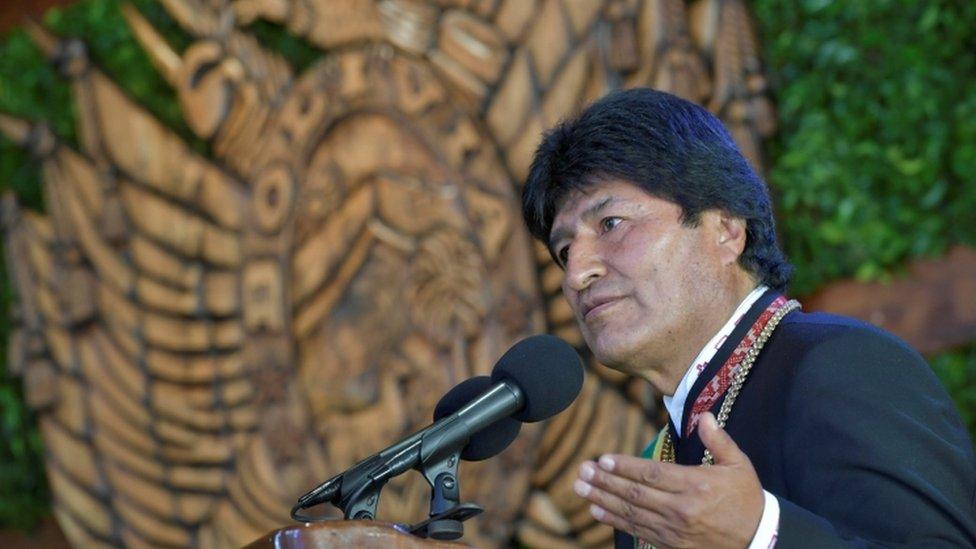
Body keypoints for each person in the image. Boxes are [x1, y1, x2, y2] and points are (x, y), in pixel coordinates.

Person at [520, 88, 976, 548]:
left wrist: (761, 534)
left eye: (611, 223)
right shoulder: (658, 466)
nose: (578, 272)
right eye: (563, 251)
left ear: (726, 229)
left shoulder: (841, 365)